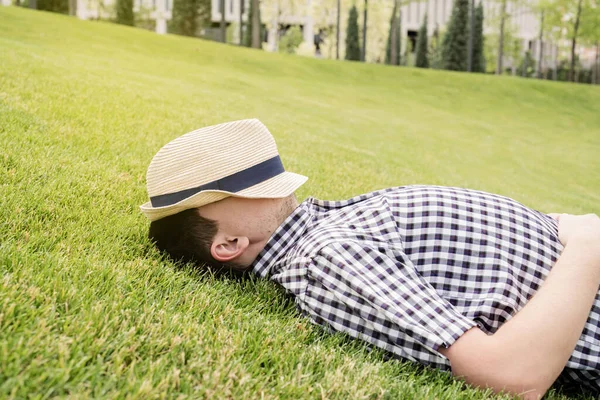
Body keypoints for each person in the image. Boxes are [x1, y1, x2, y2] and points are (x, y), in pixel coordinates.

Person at [141, 119, 600, 399]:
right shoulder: (326, 257)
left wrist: (571, 227)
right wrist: (587, 244)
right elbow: (510, 377)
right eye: (236, 184)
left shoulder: (328, 225)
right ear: (227, 245)